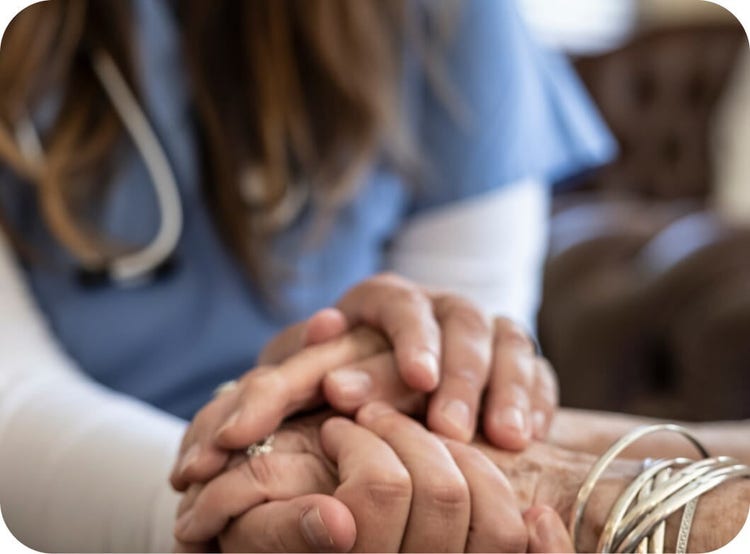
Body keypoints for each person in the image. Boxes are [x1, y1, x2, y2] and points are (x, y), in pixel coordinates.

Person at [0, 0, 614, 551]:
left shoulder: (450, 16)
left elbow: (459, 378)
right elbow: (12, 392)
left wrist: (425, 367)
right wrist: (215, 510)